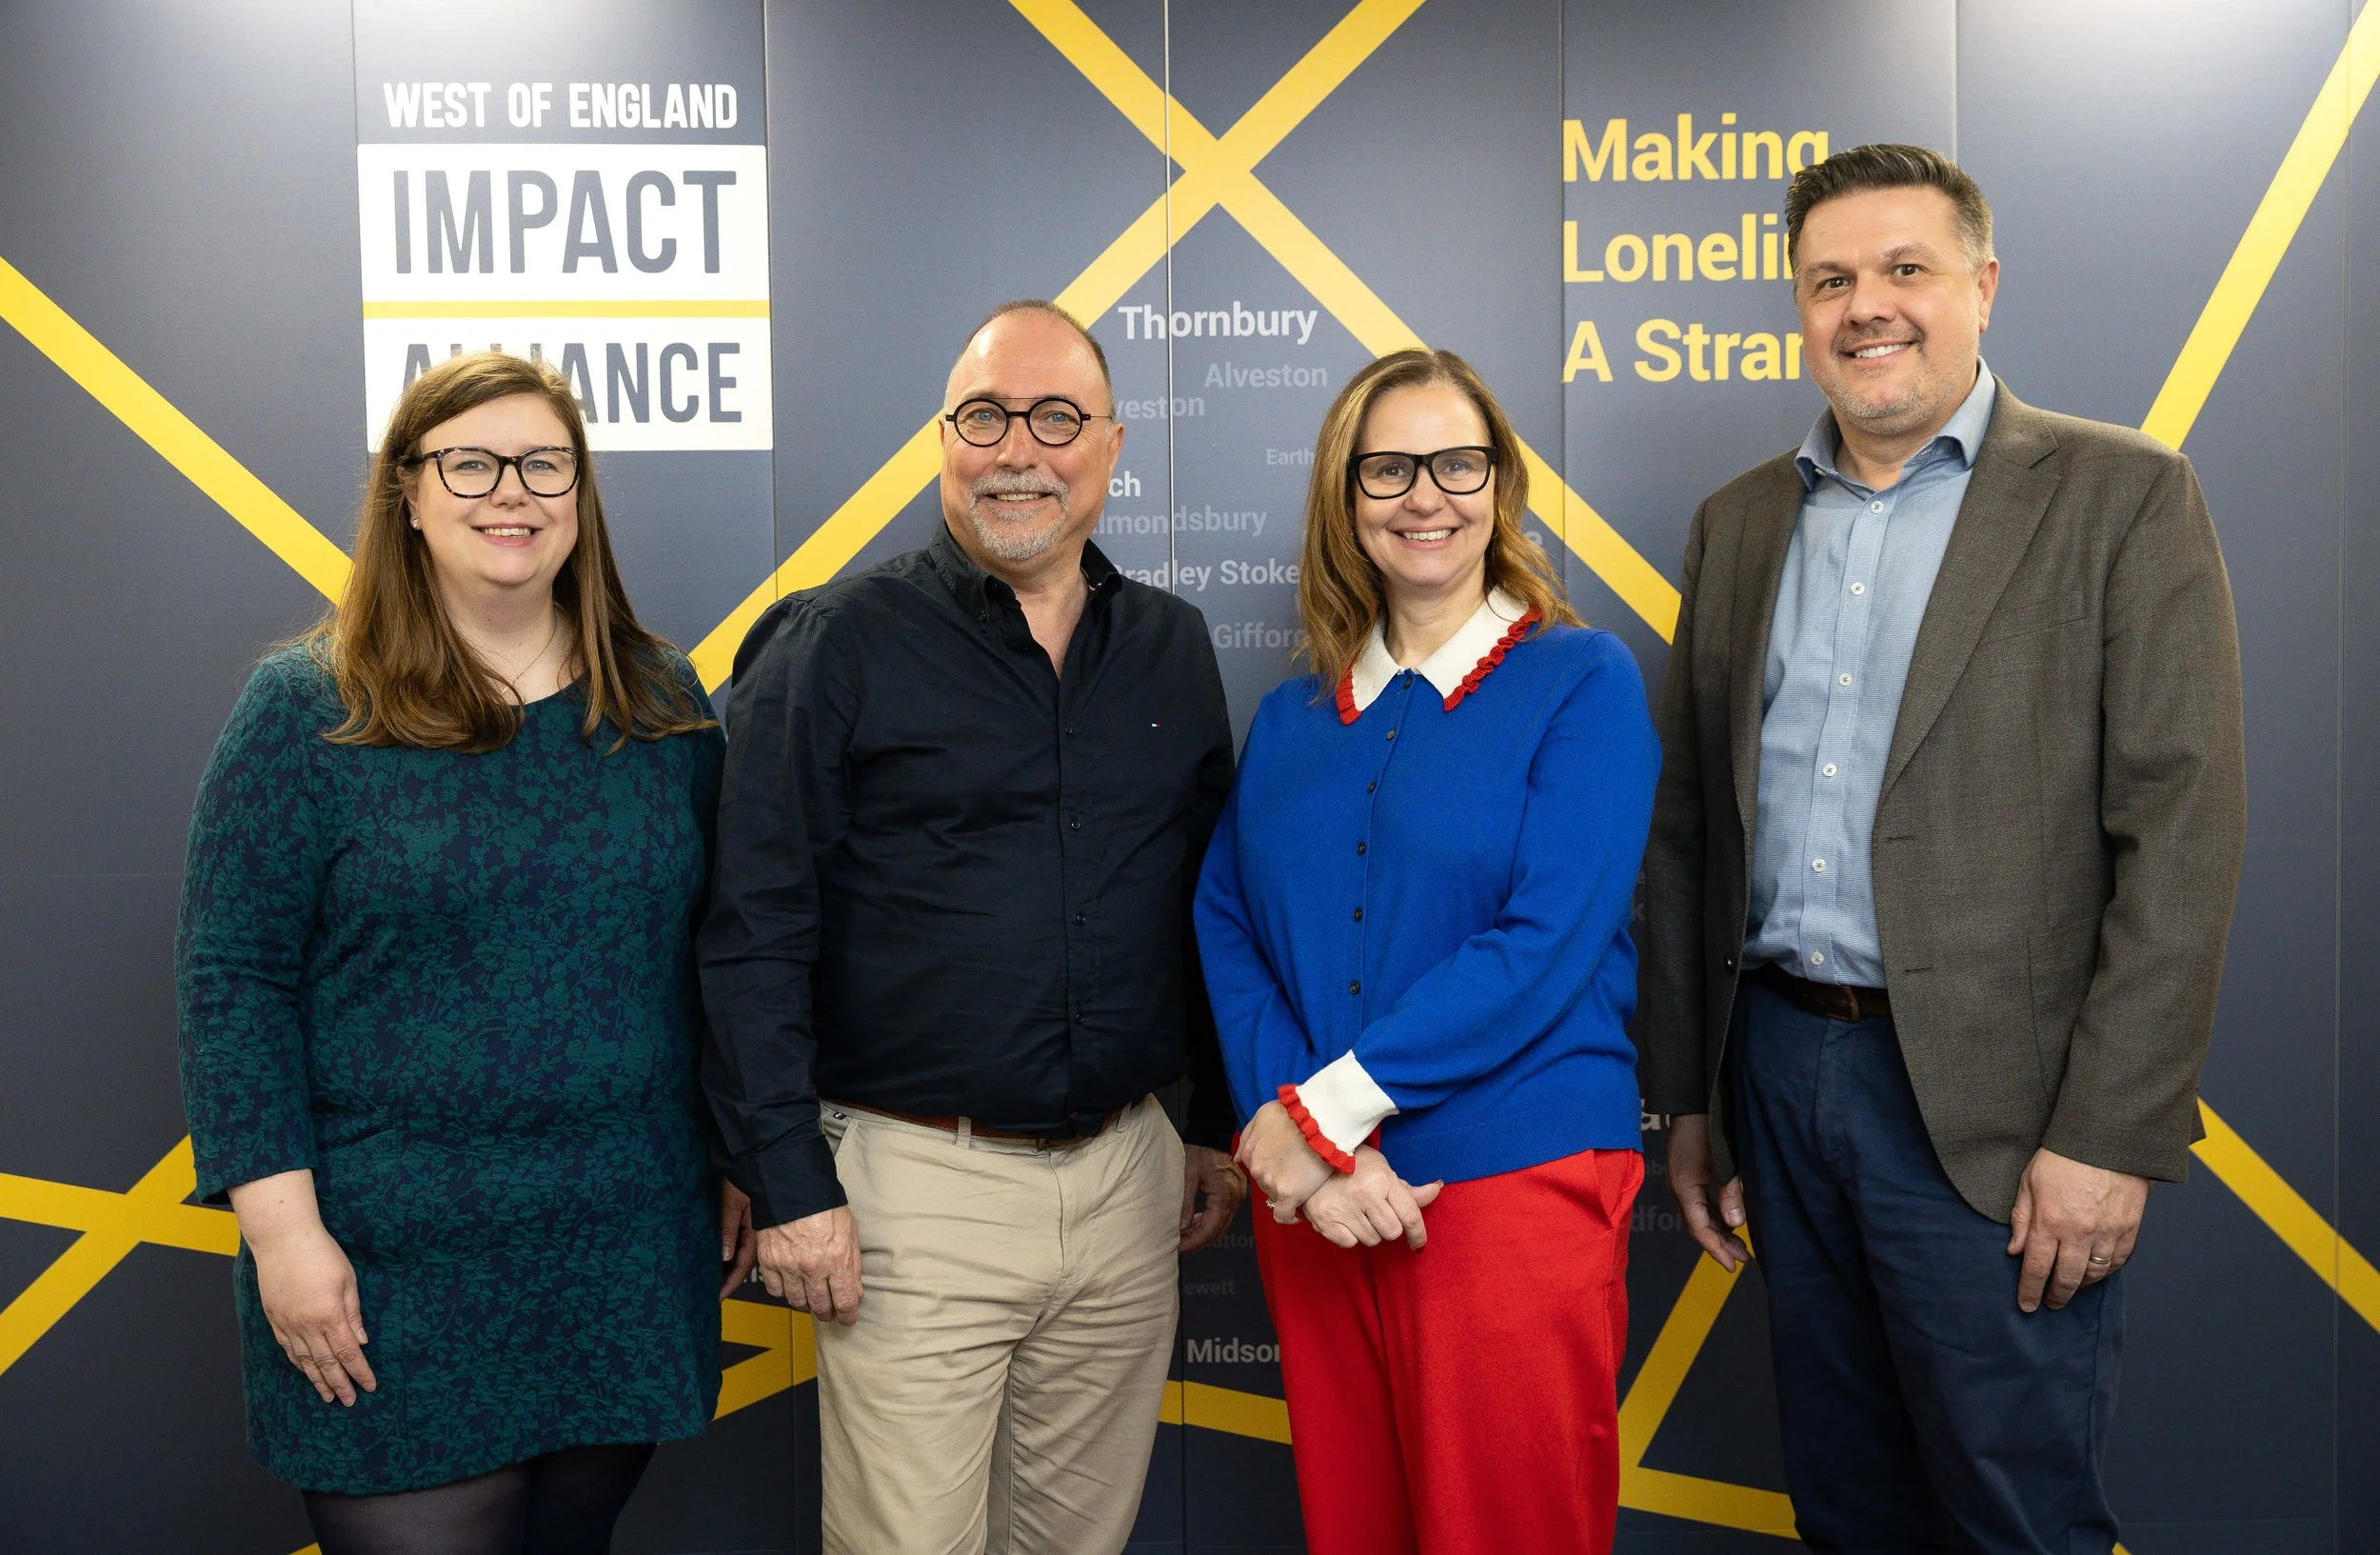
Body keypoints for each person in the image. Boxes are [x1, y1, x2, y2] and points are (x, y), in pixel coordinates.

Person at [1640, 144, 2247, 1554]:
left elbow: (2182, 838)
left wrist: (2107, 1135)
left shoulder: (2122, 499)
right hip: (1783, 1079)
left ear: (1982, 284)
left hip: (2001, 1109)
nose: (1868, 307)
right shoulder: (1738, 525)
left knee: (2013, 1513)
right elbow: (1691, 839)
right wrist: (1692, 1097)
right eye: (1830, 280)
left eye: (1905, 269)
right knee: (1847, 1505)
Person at [176, 352, 754, 1555]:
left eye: (546, 462)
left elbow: (720, 952)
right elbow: (233, 982)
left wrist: (739, 1154)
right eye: (471, 461)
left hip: (620, 1236)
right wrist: (283, 1236)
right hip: (389, 1260)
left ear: (580, 491)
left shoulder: (659, 701)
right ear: (408, 492)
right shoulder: (307, 706)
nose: (513, 491)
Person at [698, 299, 1247, 1555]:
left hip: (1128, 1184)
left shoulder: (1169, 644)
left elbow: (1207, 899)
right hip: (910, 1192)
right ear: (944, 441)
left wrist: (1209, 1125)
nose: (1019, 451)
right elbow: (753, 927)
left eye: (1057, 419)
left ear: (1112, 446)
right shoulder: (835, 640)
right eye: (984, 418)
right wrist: (787, 1182)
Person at [1196, 349, 1659, 1555]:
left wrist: (1320, 1113)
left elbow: (1547, 942)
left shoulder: (1581, 681)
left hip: (1509, 1186)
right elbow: (1229, 923)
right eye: (1388, 467)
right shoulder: (1295, 714)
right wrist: (1302, 1136)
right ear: (1344, 499)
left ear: (1500, 484)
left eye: (1458, 463)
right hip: (1318, 1201)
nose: (1425, 495)